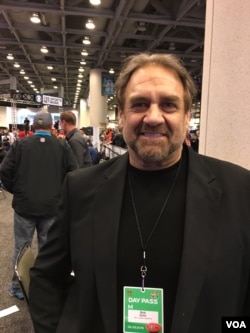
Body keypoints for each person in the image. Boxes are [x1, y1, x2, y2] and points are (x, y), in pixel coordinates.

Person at [29, 53, 250, 333]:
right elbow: (46, 278)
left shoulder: (239, 191)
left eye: (168, 105)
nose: (154, 117)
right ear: (121, 116)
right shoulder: (81, 188)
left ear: (186, 116)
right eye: (140, 104)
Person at [0, 110, 78, 300]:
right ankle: (47, 286)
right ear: (52, 126)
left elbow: (4, 171)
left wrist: (16, 191)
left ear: (33, 126)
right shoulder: (62, 146)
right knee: (48, 248)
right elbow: (74, 174)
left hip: (24, 207)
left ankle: (18, 288)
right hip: (52, 207)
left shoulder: (19, 145)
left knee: (21, 247)